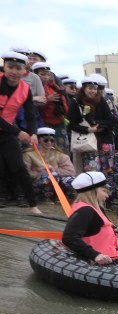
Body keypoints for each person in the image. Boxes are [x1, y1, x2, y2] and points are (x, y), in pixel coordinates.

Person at [0, 51, 42, 214]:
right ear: (4, 67)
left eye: (18, 68)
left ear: (24, 70)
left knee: (18, 166)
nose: (14, 72)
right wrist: (18, 133)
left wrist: (32, 133)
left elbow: (31, 115)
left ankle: (33, 205)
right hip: (12, 130)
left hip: (7, 133)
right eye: (10, 67)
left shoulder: (25, 89)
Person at [23, 127, 76, 203]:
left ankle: (66, 197)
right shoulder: (29, 154)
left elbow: (71, 172)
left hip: (56, 182)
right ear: (39, 139)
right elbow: (26, 173)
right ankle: (44, 198)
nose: (49, 143)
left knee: (70, 180)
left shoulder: (59, 154)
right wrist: (40, 171)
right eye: (46, 140)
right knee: (50, 177)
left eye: (52, 140)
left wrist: (52, 170)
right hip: (36, 184)